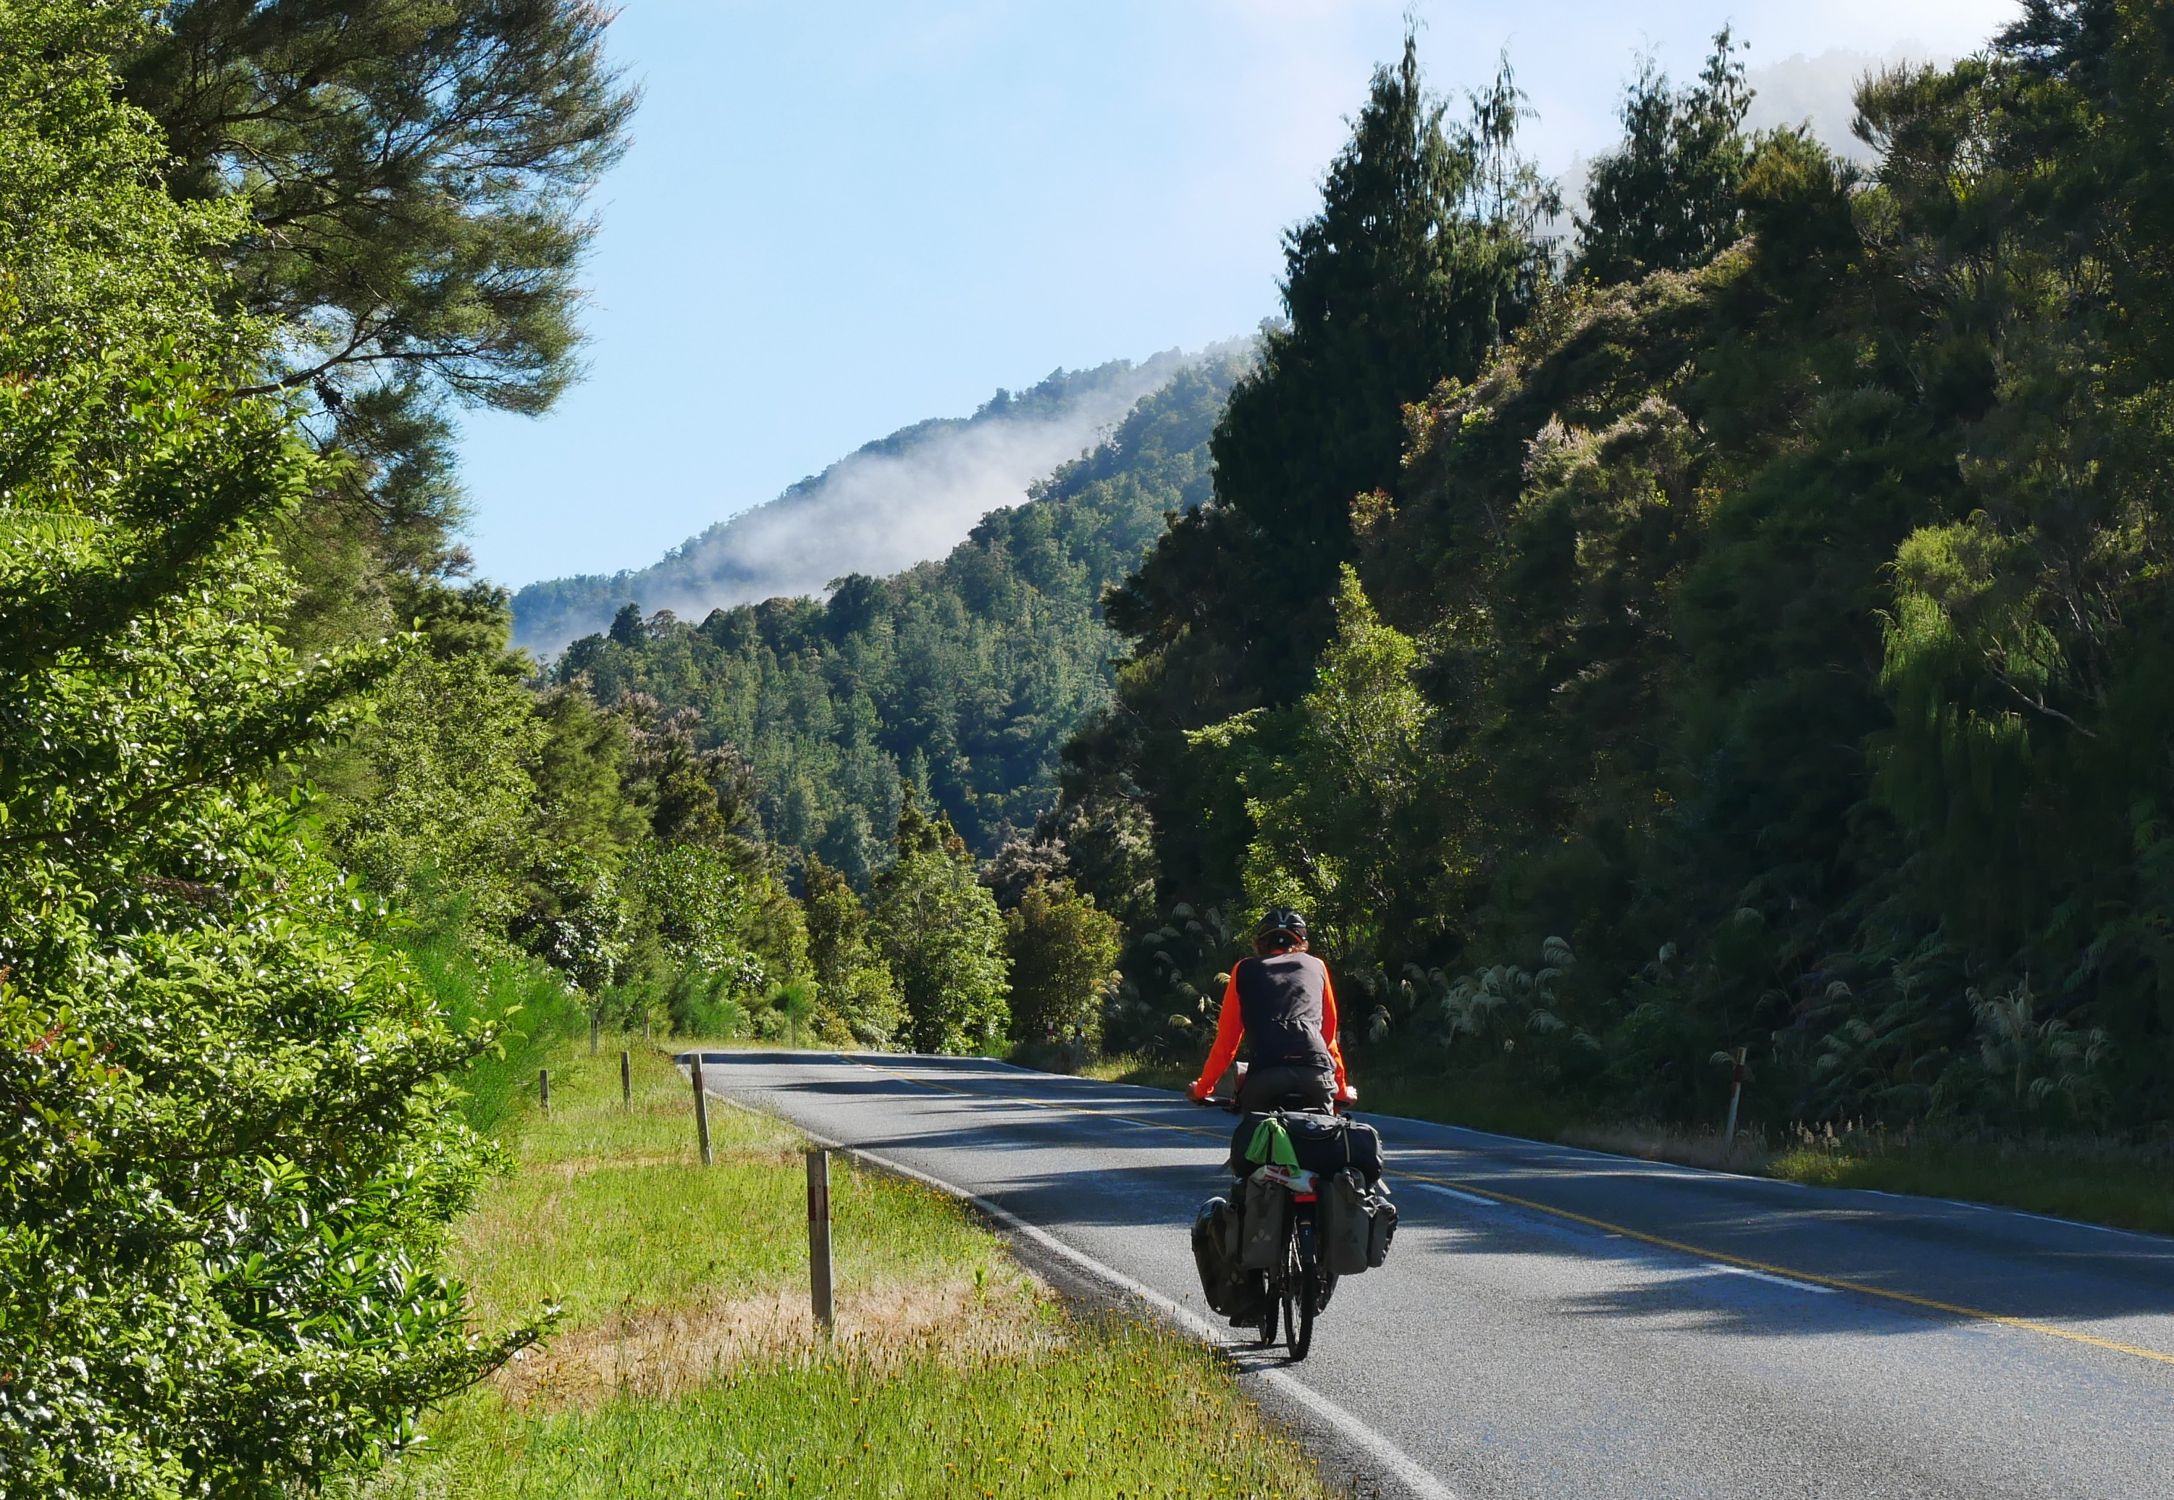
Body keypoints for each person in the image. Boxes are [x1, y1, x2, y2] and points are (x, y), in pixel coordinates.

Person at [1188, 908, 1357, 1114]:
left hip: (1264, 1075)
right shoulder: (1317, 967)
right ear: (1302, 943)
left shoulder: (1244, 969)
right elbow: (1328, 1038)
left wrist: (1203, 1088)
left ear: (1260, 943)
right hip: (1315, 1074)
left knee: (1256, 1129)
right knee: (1323, 1130)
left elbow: (1227, 1040)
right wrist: (1341, 1090)